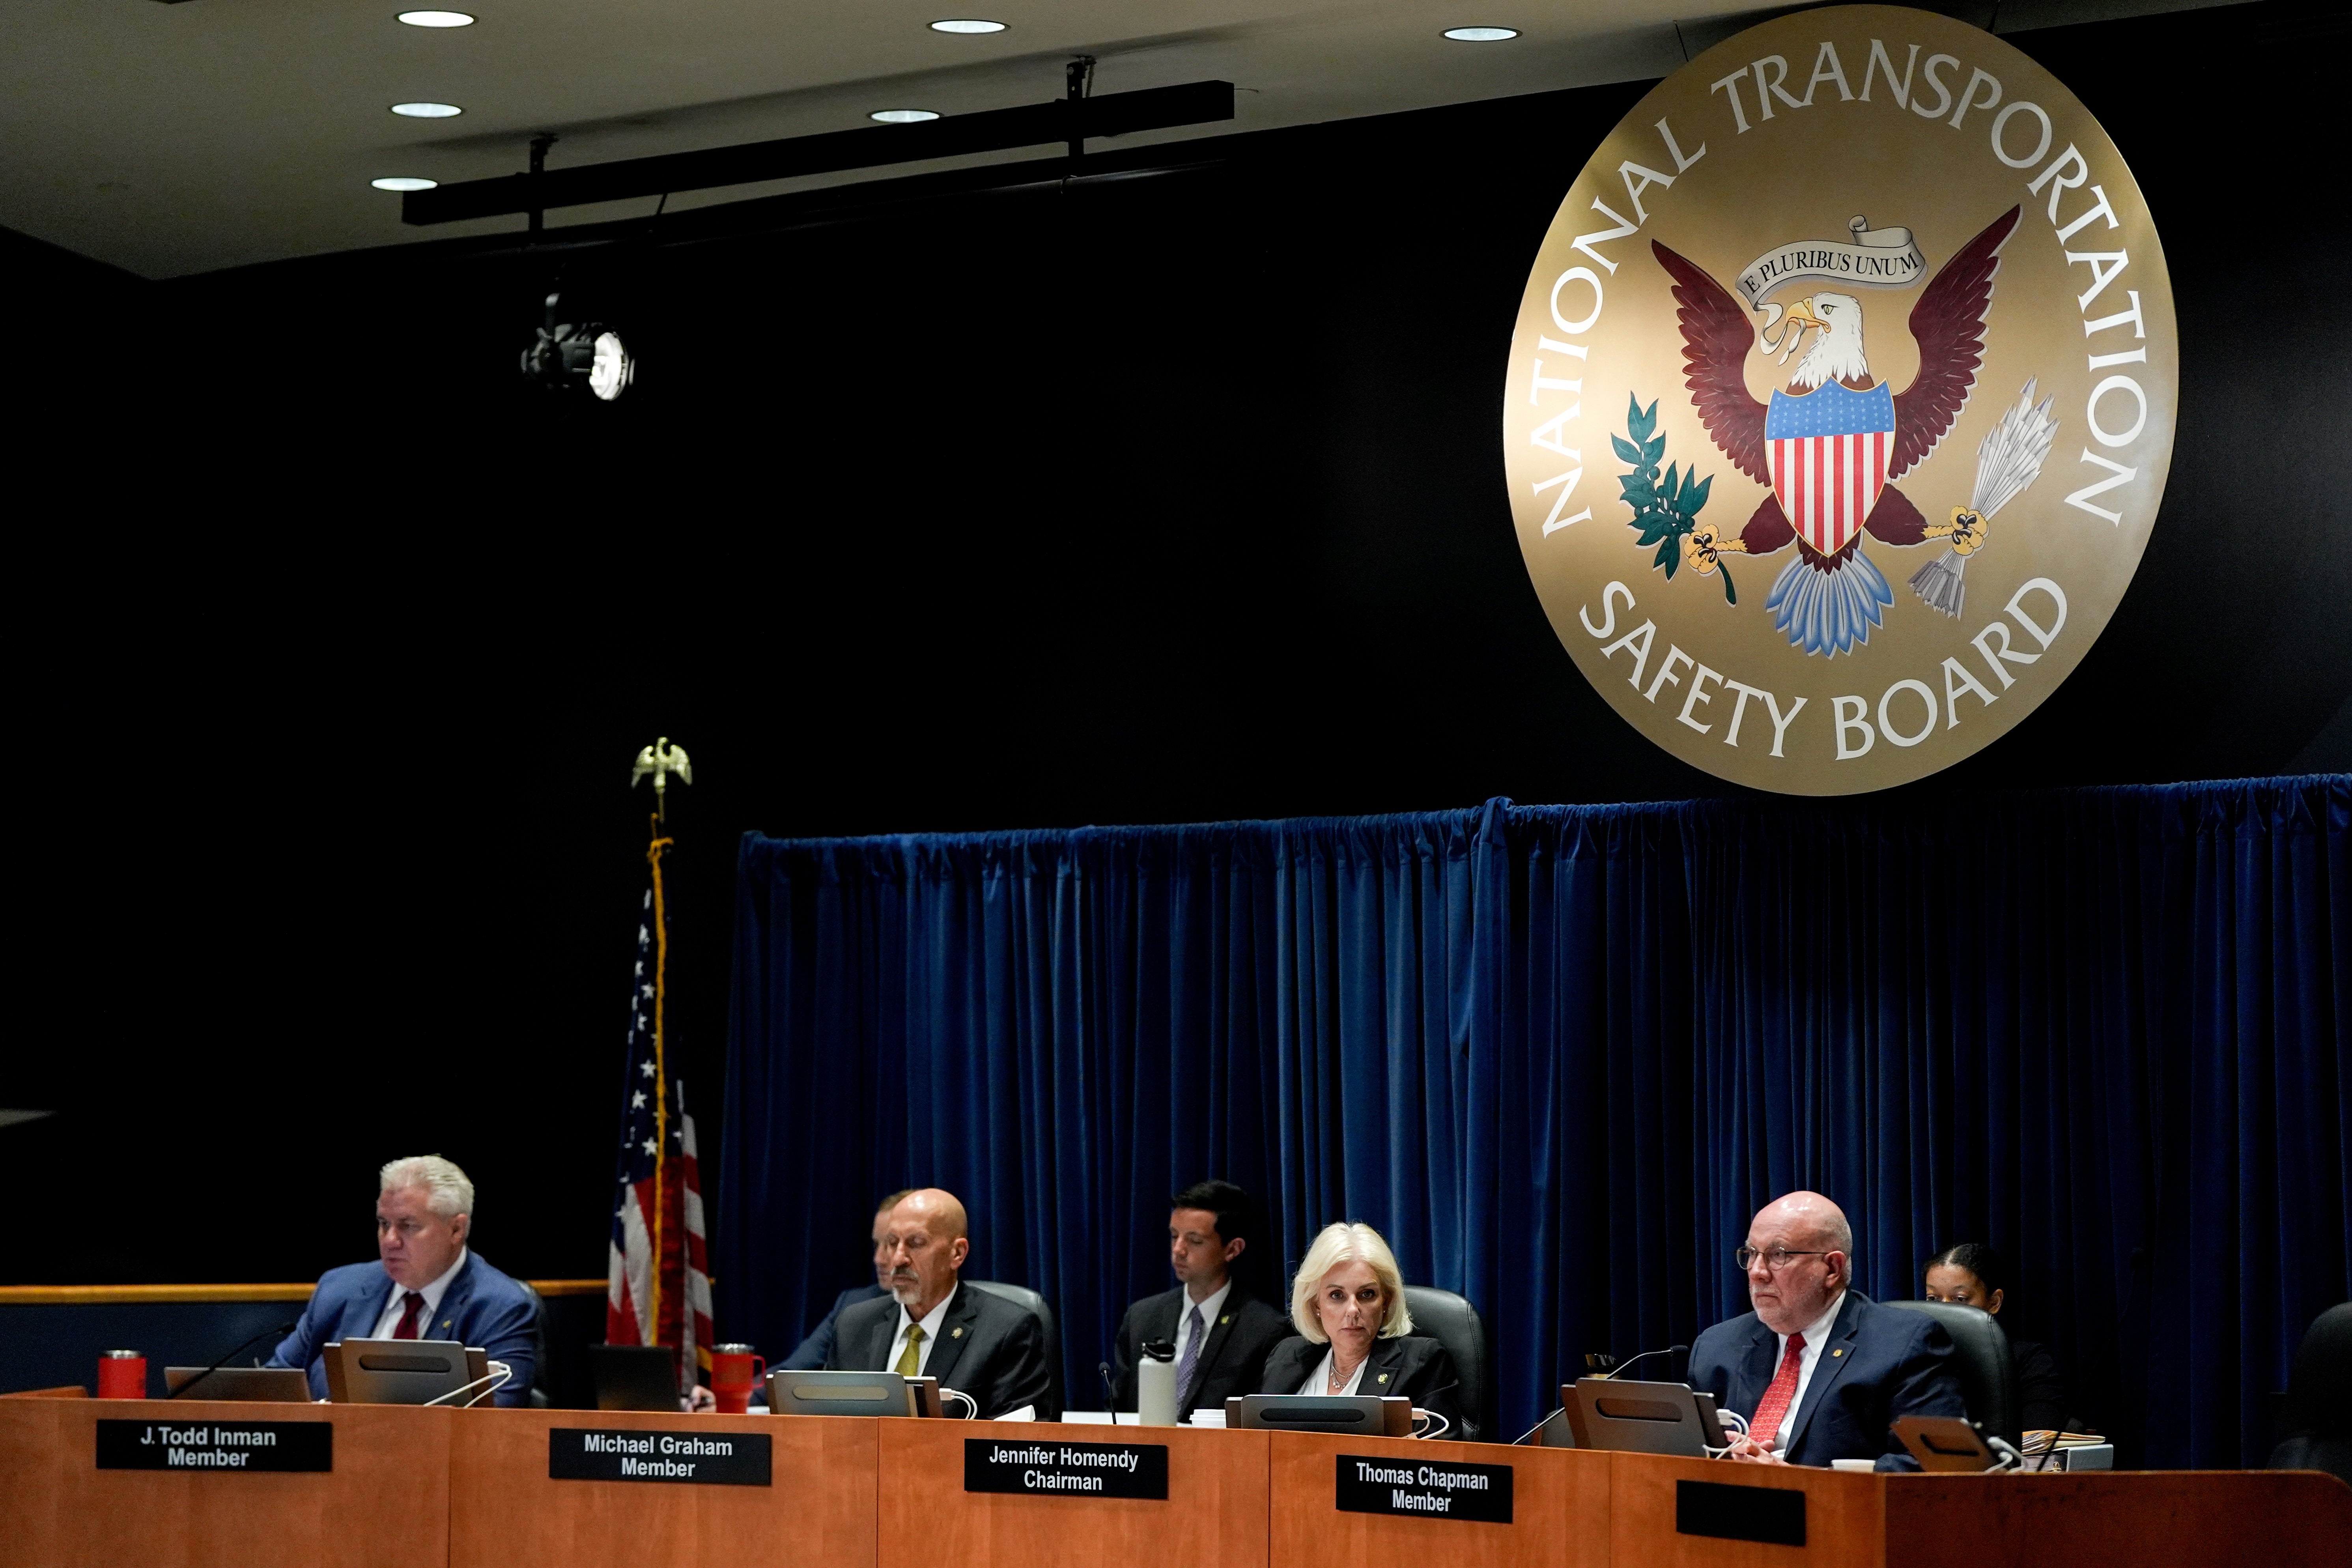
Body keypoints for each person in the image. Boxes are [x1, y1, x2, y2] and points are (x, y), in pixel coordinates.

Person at [1688, 1190, 1964, 1468]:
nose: (1757, 1271)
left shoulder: (1905, 1344)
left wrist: (1797, 1480)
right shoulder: (1716, 1346)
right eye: (1751, 1254)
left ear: (1832, 1268)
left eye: (1778, 1255)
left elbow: (1931, 1465)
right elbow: (1686, 1454)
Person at [268, 1154, 538, 1405]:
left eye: (407, 1226)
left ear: (456, 1229)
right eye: (384, 1223)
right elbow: (274, 1388)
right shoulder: (339, 1289)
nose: (390, 1240)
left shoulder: (500, 1307)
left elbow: (498, 1414)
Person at [824, 1187, 1056, 1420]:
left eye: (916, 1243)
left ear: (957, 1253)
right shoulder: (854, 1326)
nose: (898, 1258)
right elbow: (825, 1424)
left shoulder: (1007, 1330)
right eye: (892, 1243)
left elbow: (1013, 1439)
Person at [1111, 1180, 1294, 1421]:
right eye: (1174, 1236)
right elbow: (1117, 1411)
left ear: (1233, 1249)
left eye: (1195, 1240)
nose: (1178, 1250)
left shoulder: (1265, 1331)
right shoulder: (1142, 1318)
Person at [1259, 1221, 1465, 1435]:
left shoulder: (1423, 1363)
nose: (1353, 1310)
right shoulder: (1285, 1357)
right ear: (1316, 1305)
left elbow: (1439, 1453)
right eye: (1337, 1296)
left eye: (1367, 1294)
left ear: (1386, 1301)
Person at [1922, 1241, 2069, 1434]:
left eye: (1960, 1299)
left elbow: (2037, 1436)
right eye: (1933, 1299)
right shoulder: (1914, 1359)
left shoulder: (2028, 1361)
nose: (1944, 1309)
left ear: (1994, 1302)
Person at [779, 1190, 910, 1370]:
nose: (878, 1259)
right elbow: (792, 1371)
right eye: (876, 1245)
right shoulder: (853, 1305)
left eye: (892, 1245)